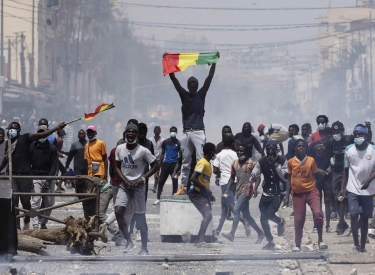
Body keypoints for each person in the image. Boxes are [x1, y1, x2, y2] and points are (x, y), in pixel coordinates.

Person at [169, 53, 219, 195]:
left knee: (200, 160)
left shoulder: (201, 95)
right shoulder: (184, 95)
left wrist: (214, 62)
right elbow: (174, 80)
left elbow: (209, 79)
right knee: (185, 161)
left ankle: (202, 184)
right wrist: (168, 63)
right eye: (190, 85)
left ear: (197, 86)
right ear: (188, 86)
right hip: (186, 132)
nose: (193, 87)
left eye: (195, 85)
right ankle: (183, 187)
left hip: (198, 132)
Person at [0, 121, 66, 230]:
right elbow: (6, 160)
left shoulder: (26, 138)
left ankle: (27, 219)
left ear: (18, 131)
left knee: (26, 203)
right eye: (9, 129)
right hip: (13, 176)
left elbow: (42, 135)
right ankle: (17, 226)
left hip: (25, 176)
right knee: (14, 201)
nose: (10, 131)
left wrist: (56, 128)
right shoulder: (9, 143)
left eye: (13, 129)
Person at [114, 123, 160, 255]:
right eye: (128, 132)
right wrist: (124, 181)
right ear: (125, 133)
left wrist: (143, 178)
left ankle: (144, 248)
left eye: (133, 132)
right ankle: (129, 241)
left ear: (136, 134)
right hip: (125, 186)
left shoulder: (143, 150)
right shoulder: (120, 148)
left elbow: (156, 165)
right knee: (118, 211)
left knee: (141, 218)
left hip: (139, 187)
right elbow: (116, 166)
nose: (130, 134)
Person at [283, 139, 327, 252]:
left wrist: (319, 189)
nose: (301, 148)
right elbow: (288, 179)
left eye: (303, 146)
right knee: (298, 219)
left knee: (318, 213)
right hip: (297, 194)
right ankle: (297, 244)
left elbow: (316, 174)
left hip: (311, 190)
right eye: (299, 146)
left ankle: (320, 240)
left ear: (306, 148)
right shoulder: (291, 161)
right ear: (295, 148)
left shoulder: (311, 160)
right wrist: (287, 195)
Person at [331, 121, 372, 235]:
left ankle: (347, 222)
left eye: (338, 132)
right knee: (338, 197)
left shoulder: (349, 140)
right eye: (333, 132)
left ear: (342, 131)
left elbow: (366, 141)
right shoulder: (332, 142)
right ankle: (342, 222)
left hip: (349, 172)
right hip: (337, 173)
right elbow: (328, 154)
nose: (336, 134)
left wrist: (369, 129)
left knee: (346, 197)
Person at [340, 124, 375, 253]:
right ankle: (356, 244)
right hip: (353, 188)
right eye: (355, 134)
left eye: (359, 134)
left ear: (365, 136)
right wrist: (343, 187)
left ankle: (363, 246)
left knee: (365, 218)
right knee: (354, 214)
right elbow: (345, 170)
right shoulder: (349, 150)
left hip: (368, 190)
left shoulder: (373, 149)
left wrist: (369, 180)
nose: (357, 136)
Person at [221, 144, 265, 243]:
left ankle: (231, 234)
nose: (240, 153)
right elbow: (232, 177)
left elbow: (257, 177)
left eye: (242, 151)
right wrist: (227, 190)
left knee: (236, 210)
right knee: (247, 216)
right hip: (239, 190)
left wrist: (255, 188)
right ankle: (260, 233)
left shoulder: (252, 163)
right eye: (238, 151)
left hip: (247, 189)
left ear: (246, 152)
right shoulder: (234, 163)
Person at [251, 140, 288, 250]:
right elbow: (255, 173)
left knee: (270, 213)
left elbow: (285, 177)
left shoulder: (282, 160)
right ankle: (270, 241)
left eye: (272, 149)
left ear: (276, 149)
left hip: (278, 192)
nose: (270, 151)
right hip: (266, 192)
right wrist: (252, 178)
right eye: (268, 149)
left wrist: (277, 166)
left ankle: (280, 221)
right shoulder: (261, 161)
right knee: (263, 219)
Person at [213, 136, 250, 236]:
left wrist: (220, 173)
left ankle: (244, 221)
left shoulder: (219, 155)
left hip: (225, 182)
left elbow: (215, 170)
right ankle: (218, 230)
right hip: (235, 181)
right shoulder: (235, 154)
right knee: (225, 206)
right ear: (233, 143)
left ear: (222, 143)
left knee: (230, 205)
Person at [84, 125, 117, 235]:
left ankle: (114, 231)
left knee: (99, 209)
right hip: (91, 177)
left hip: (100, 176)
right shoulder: (86, 146)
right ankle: (95, 230)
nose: (90, 133)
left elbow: (105, 159)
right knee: (92, 205)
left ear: (95, 133)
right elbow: (86, 162)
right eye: (88, 132)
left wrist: (106, 175)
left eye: (92, 132)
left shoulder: (101, 143)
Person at [188, 142, 217, 248]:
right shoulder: (202, 162)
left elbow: (205, 181)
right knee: (207, 215)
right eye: (214, 151)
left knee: (207, 215)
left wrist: (209, 195)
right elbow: (193, 178)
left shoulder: (208, 164)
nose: (216, 153)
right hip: (195, 192)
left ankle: (198, 241)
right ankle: (200, 240)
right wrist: (205, 188)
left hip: (202, 193)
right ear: (210, 152)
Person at [30, 125, 58, 230]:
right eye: (40, 132)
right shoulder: (33, 146)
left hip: (48, 177)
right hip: (35, 176)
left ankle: (44, 222)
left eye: (43, 132)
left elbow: (54, 165)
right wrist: (30, 178)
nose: (41, 135)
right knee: (35, 201)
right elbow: (28, 163)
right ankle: (35, 224)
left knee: (49, 202)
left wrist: (48, 180)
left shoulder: (52, 148)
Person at [307, 127, 334, 233]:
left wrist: (330, 168)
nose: (327, 138)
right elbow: (308, 161)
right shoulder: (313, 146)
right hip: (316, 177)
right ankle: (316, 225)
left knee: (327, 201)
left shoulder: (331, 147)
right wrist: (317, 169)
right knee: (317, 202)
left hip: (327, 177)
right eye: (326, 135)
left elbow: (334, 158)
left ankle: (327, 225)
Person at [153, 126, 180, 205]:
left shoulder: (178, 143)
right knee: (161, 181)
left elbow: (180, 156)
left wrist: (179, 169)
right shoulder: (165, 142)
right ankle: (158, 198)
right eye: (172, 131)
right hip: (166, 164)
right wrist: (158, 166)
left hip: (174, 165)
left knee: (175, 182)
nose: (173, 133)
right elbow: (162, 154)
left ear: (176, 133)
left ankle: (174, 198)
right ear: (169, 132)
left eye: (174, 131)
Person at [150, 126, 165, 193]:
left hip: (160, 158)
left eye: (158, 130)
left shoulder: (162, 140)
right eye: (156, 130)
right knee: (155, 172)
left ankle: (156, 186)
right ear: (154, 131)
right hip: (152, 158)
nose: (157, 131)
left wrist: (161, 159)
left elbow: (163, 150)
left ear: (160, 131)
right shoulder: (150, 140)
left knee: (158, 172)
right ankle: (158, 186)